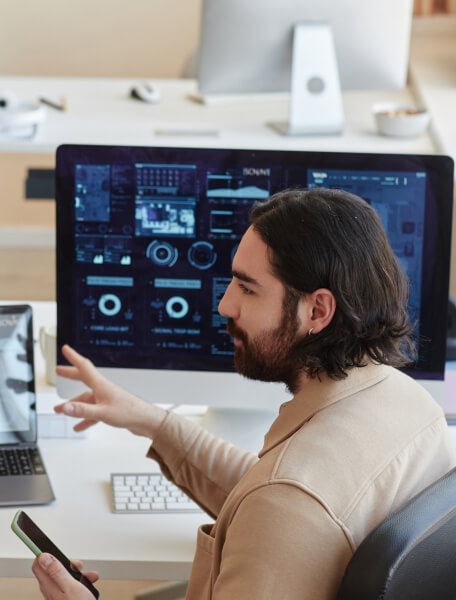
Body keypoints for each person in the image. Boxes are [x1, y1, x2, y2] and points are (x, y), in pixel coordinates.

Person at [32, 188, 456, 599]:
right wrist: (150, 421)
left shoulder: (287, 506)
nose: (225, 306)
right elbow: (263, 497)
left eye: (248, 289)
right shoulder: (409, 401)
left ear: (318, 311)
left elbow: (281, 506)